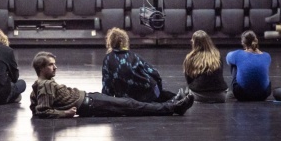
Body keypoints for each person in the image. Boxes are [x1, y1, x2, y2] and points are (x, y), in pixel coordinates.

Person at [30, 51, 194, 118]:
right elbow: (42, 111)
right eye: (51, 65)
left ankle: (172, 103)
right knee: (130, 105)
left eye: (54, 64)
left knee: (130, 104)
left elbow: (35, 106)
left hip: (90, 98)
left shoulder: (42, 84)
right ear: (41, 68)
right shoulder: (45, 85)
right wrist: (65, 113)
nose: (55, 67)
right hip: (90, 105)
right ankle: (173, 107)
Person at [101, 27, 177, 102]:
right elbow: (154, 73)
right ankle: (176, 98)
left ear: (110, 42)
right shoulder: (133, 56)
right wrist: (159, 88)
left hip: (126, 99)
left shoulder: (108, 59)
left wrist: (106, 101)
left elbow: (107, 85)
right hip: (147, 93)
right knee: (160, 95)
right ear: (125, 41)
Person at [225, 30, 272, 101]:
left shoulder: (238, 54)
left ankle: (232, 90)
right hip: (263, 95)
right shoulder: (267, 56)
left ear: (243, 43)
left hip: (242, 95)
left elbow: (228, 60)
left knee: (234, 64)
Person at [183, 30, 228, 103]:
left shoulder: (190, 57)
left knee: (185, 91)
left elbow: (189, 80)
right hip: (220, 96)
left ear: (194, 42)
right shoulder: (217, 56)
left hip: (198, 96)